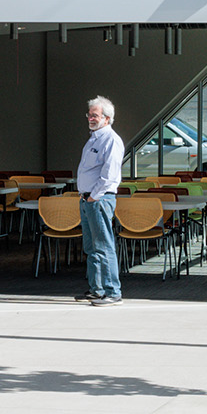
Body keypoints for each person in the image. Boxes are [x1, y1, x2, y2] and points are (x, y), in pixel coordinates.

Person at [75, 96, 123, 305]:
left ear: (107, 118)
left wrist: (94, 196)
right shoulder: (93, 138)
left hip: (99, 200)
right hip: (87, 200)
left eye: (95, 115)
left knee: (103, 246)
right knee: (91, 247)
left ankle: (113, 292)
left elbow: (110, 175)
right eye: (89, 115)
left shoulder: (111, 140)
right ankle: (97, 288)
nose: (90, 118)